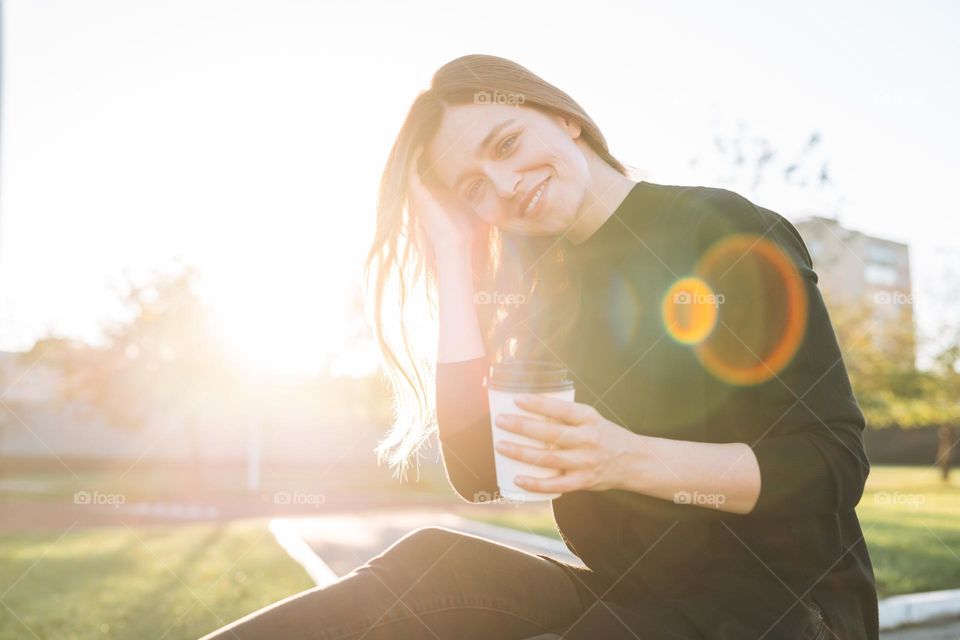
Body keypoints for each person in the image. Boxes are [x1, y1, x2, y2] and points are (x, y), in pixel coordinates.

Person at [200, 54, 877, 640]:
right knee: (432, 566)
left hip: (792, 613)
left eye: (504, 144)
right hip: (640, 598)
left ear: (564, 118)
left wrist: (624, 458)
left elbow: (832, 466)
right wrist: (455, 256)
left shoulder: (719, 228)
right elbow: (478, 470)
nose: (504, 185)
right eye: (473, 188)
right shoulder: (542, 293)